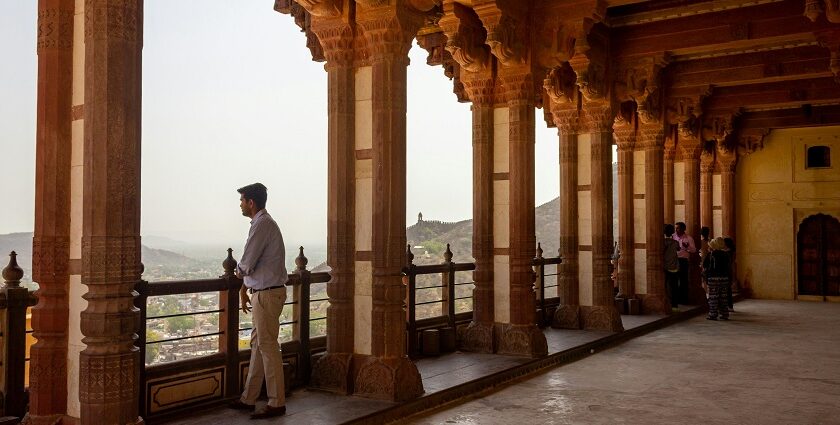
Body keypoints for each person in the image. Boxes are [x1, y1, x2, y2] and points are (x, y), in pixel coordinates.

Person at [228, 183, 289, 418]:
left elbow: (247, 263)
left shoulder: (262, 225)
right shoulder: (264, 224)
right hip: (264, 292)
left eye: (242, 200)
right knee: (259, 345)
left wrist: (239, 276)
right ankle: (249, 398)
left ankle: (277, 402)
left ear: (251, 203)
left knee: (268, 347)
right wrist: (245, 287)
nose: (240, 204)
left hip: (266, 294)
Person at [703, 237, 731, 320]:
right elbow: (728, 267)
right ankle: (724, 314)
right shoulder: (726, 254)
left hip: (713, 278)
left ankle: (713, 314)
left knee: (713, 297)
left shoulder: (711, 254)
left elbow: (705, 266)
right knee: (723, 297)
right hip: (724, 278)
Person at [672, 222, 696, 306]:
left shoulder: (689, 238)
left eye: (678, 228)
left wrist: (687, 247)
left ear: (683, 229)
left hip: (683, 261)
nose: (676, 230)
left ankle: (684, 299)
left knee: (683, 280)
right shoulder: (673, 237)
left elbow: (693, 250)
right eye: (676, 228)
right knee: (674, 280)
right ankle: (675, 299)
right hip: (674, 260)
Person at [663, 224, 681, 312]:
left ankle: (666, 303)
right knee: (674, 286)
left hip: (665, 267)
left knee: (665, 286)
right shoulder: (675, 243)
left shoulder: (662, 243)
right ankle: (674, 305)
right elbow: (679, 249)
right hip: (674, 267)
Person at [724, 237, 736, 312]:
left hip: (726, 271)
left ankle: (729, 305)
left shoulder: (727, 253)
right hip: (729, 271)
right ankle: (729, 305)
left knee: (727, 289)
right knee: (728, 289)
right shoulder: (730, 252)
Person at [699, 227, 711, 295]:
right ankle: (707, 290)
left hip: (703, 260)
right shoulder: (710, 241)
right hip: (709, 260)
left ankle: (705, 290)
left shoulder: (701, 242)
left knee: (704, 276)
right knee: (707, 275)